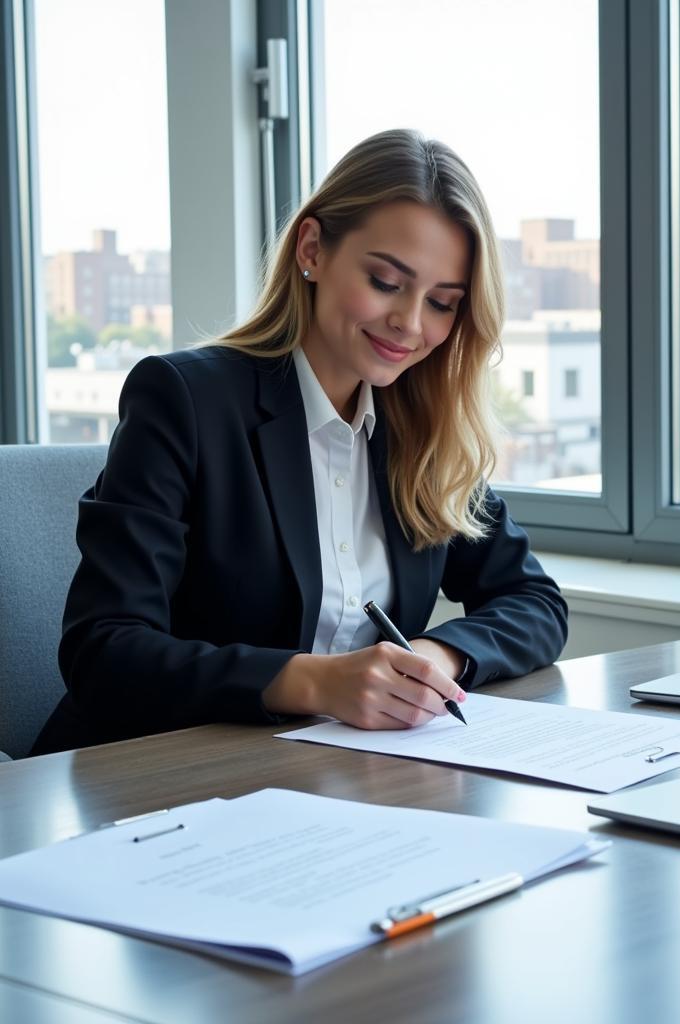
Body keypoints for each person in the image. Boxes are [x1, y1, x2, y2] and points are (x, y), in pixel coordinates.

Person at [32, 129, 568, 754]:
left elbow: (535, 601)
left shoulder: (425, 430)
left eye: (443, 303)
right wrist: (314, 683)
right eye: (387, 281)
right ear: (312, 249)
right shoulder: (183, 399)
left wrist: (435, 655)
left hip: (329, 780)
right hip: (155, 779)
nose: (411, 323)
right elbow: (104, 649)